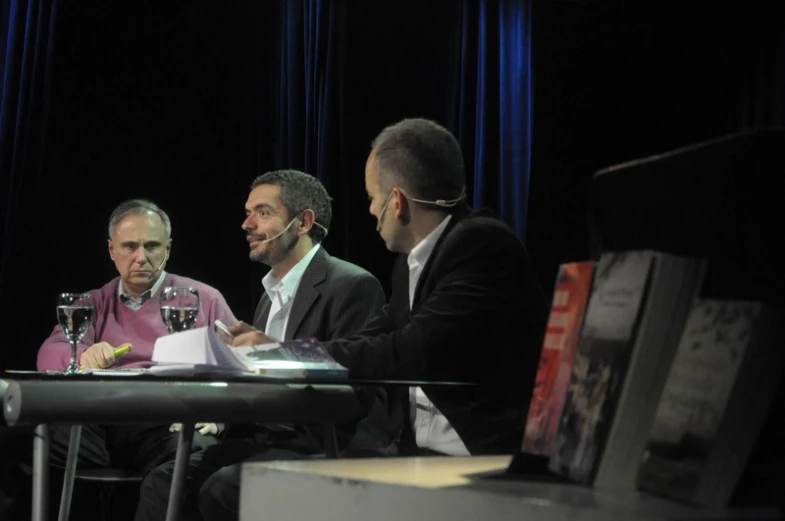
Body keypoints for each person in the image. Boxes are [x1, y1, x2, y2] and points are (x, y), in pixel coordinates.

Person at [239, 118, 550, 457]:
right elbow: (371, 336)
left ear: (397, 201)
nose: (371, 210)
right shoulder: (408, 264)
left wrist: (282, 355)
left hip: (484, 455)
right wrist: (281, 353)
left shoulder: (482, 245)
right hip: (420, 454)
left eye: (373, 197)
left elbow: (410, 350)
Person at [135, 170, 389, 521]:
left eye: (263, 212)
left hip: (329, 443)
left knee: (223, 489)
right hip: (268, 439)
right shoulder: (269, 297)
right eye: (247, 211)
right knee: (164, 481)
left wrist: (270, 353)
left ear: (302, 222)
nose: (246, 223)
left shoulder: (353, 285)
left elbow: (355, 393)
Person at [37, 198, 237, 474]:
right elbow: (50, 352)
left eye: (152, 246)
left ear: (167, 249)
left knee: (194, 452)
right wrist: (84, 355)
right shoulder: (94, 302)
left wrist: (218, 418)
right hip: (100, 423)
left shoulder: (203, 299)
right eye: (130, 246)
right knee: (34, 441)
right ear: (111, 250)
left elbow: (238, 365)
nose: (141, 257)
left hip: (167, 421)